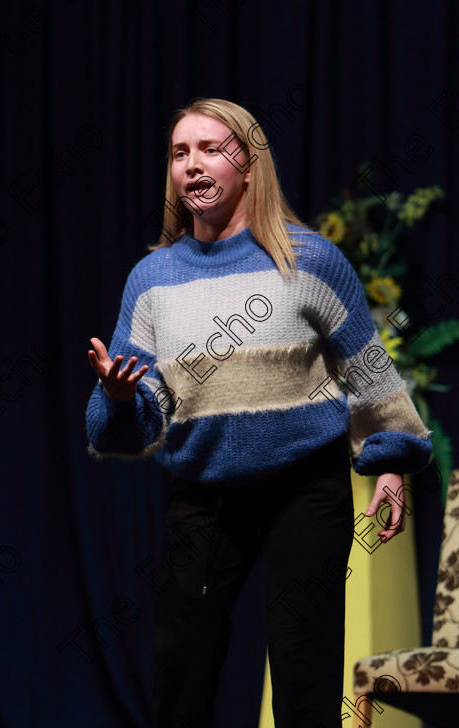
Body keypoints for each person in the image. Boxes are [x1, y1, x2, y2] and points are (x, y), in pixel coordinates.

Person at [85, 98, 432, 728]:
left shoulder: (310, 260)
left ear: (250, 166)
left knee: (305, 674)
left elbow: (369, 368)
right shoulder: (152, 279)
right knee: (180, 674)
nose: (191, 165)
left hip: (304, 488)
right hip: (203, 495)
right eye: (179, 152)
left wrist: (390, 462)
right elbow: (134, 421)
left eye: (211, 149)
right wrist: (115, 396)